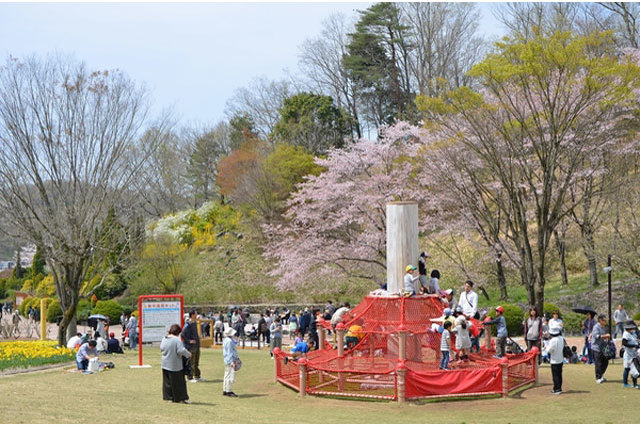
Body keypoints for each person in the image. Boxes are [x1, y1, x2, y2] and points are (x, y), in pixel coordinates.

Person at [161, 324, 192, 404]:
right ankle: (182, 398)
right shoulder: (177, 340)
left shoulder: (164, 338)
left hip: (165, 363)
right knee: (179, 383)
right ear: (178, 332)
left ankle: (169, 398)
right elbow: (180, 351)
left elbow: (162, 348)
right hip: (175, 365)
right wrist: (188, 354)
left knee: (167, 382)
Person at [181, 310, 203, 383]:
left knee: (196, 361)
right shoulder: (188, 324)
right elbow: (183, 334)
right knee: (191, 362)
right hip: (191, 347)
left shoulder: (194, 322)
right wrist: (189, 341)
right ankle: (190, 377)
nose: (197, 315)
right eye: (196, 313)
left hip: (196, 345)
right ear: (192, 315)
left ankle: (197, 376)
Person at [542, 326, 564, 395]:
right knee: (559, 374)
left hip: (554, 360)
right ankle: (559, 387)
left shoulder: (553, 340)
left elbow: (549, 350)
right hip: (560, 358)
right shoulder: (561, 338)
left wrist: (545, 347)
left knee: (555, 376)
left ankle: (557, 389)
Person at [590, 314, 611, 383]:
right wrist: (606, 336)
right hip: (596, 347)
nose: (605, 321)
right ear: (600, 320)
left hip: (602, 347)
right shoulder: (596, 327)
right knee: (598, 363)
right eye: (604, 320)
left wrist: (607, 338)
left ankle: (601, 375)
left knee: (605, 362)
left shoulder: (603, 327)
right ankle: (598, 377)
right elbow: (597, 336)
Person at [621, 321, 639, 388]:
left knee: (635, 369)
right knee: (627, 369)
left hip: (634, 354)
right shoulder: (625, 334)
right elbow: (624, 343)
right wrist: (634, 345)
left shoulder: (633, 333)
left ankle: (635, 384)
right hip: (628, 355)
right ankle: (625, 383)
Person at [222, 328, 239, 397]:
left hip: (227, 359)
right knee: (230, 376)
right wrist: (232, 361)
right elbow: (230, 352)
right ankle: (229, 391)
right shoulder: (229, 341)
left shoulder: (226, 340)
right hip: (230, 360)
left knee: (226, 375)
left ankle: (225, 389)